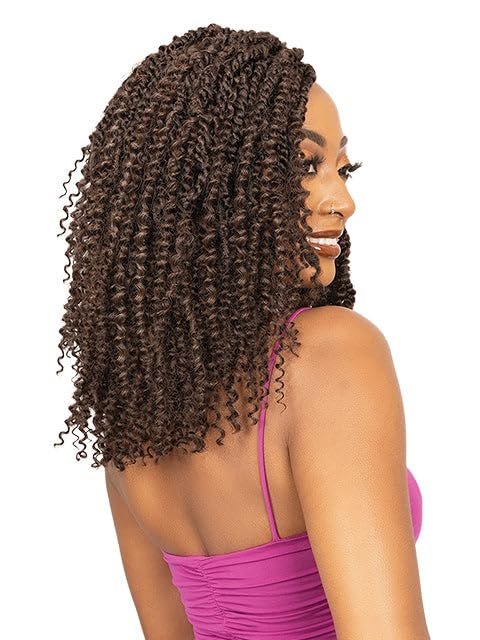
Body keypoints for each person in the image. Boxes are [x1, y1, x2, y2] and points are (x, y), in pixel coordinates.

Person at [55, 23, 430, 640]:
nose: (343, 201)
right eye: (306, 165)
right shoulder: (331, 354)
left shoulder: (132, 414)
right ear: (212, 184)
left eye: (344, 168)